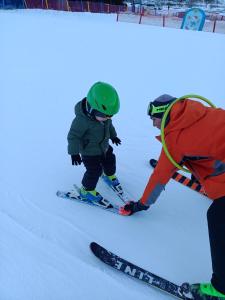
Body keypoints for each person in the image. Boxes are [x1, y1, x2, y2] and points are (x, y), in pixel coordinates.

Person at [120, 94, 225, 300]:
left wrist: (141, 205)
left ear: (164, 115)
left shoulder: (175, 140)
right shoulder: (202, 111)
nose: (152, 124)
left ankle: (220, 289)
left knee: (217, 216)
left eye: (154, 119)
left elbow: (160, 176)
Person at [67, 82, 122, 206]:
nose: (107, 118)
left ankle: (109, 175)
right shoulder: (81, 121)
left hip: (104, 147)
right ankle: (87, 191)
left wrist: (113, 136)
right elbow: (73, 136)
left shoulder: (104, 117)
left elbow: (110, 126)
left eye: (110, 116)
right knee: (94, 171)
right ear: (92, 109)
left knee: (110, 159)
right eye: (104, 115)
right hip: (89, 152)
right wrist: (74, 153)